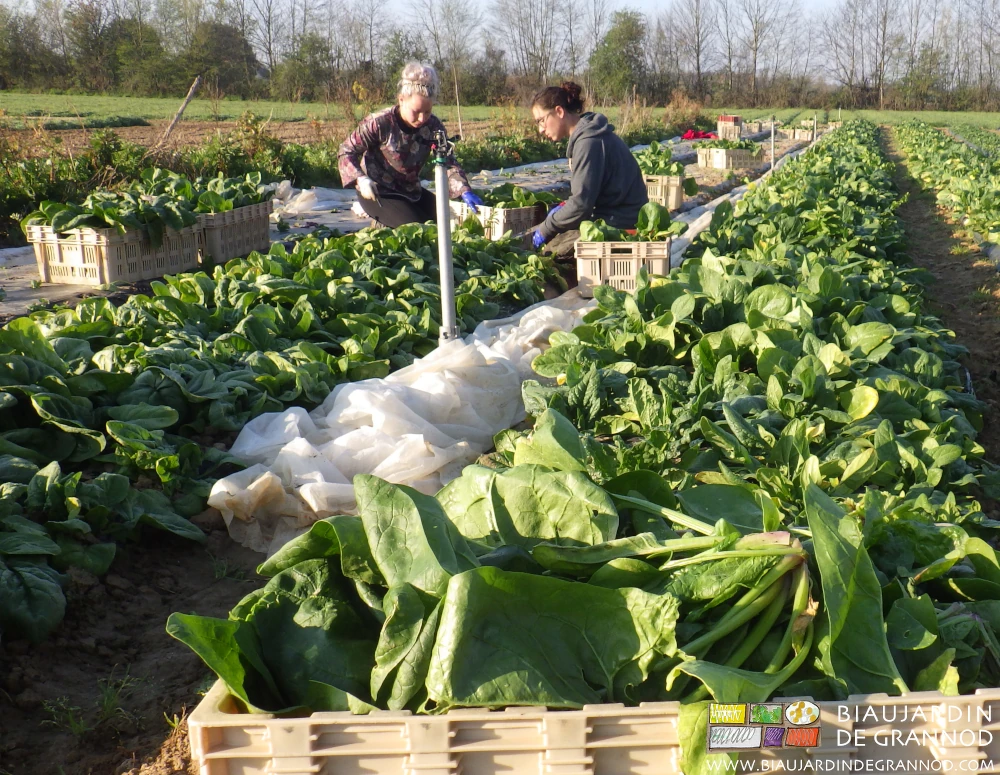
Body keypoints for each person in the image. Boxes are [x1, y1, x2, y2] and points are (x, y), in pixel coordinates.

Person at [338, 62, 483, 228]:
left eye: (427, 112)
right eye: (416, 111)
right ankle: (380, 226)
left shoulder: (433, 127)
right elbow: (346, 151)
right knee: (418, 229)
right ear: (401, 100)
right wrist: (361, 180)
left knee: (448, 221)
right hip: (378, 192)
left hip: (411, 192)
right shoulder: (379, 123)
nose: (422, 118)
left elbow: (448, 161)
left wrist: (465, 190)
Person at [529, 82, 649, 255]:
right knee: (558, 240)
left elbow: (580, 205)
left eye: (541, 121)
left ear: (559, 112)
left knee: (551, 253)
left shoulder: (588, 142)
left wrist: (546, 227)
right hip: (613, 216)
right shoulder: (588, 134)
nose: (540, 129)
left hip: (622, 225)